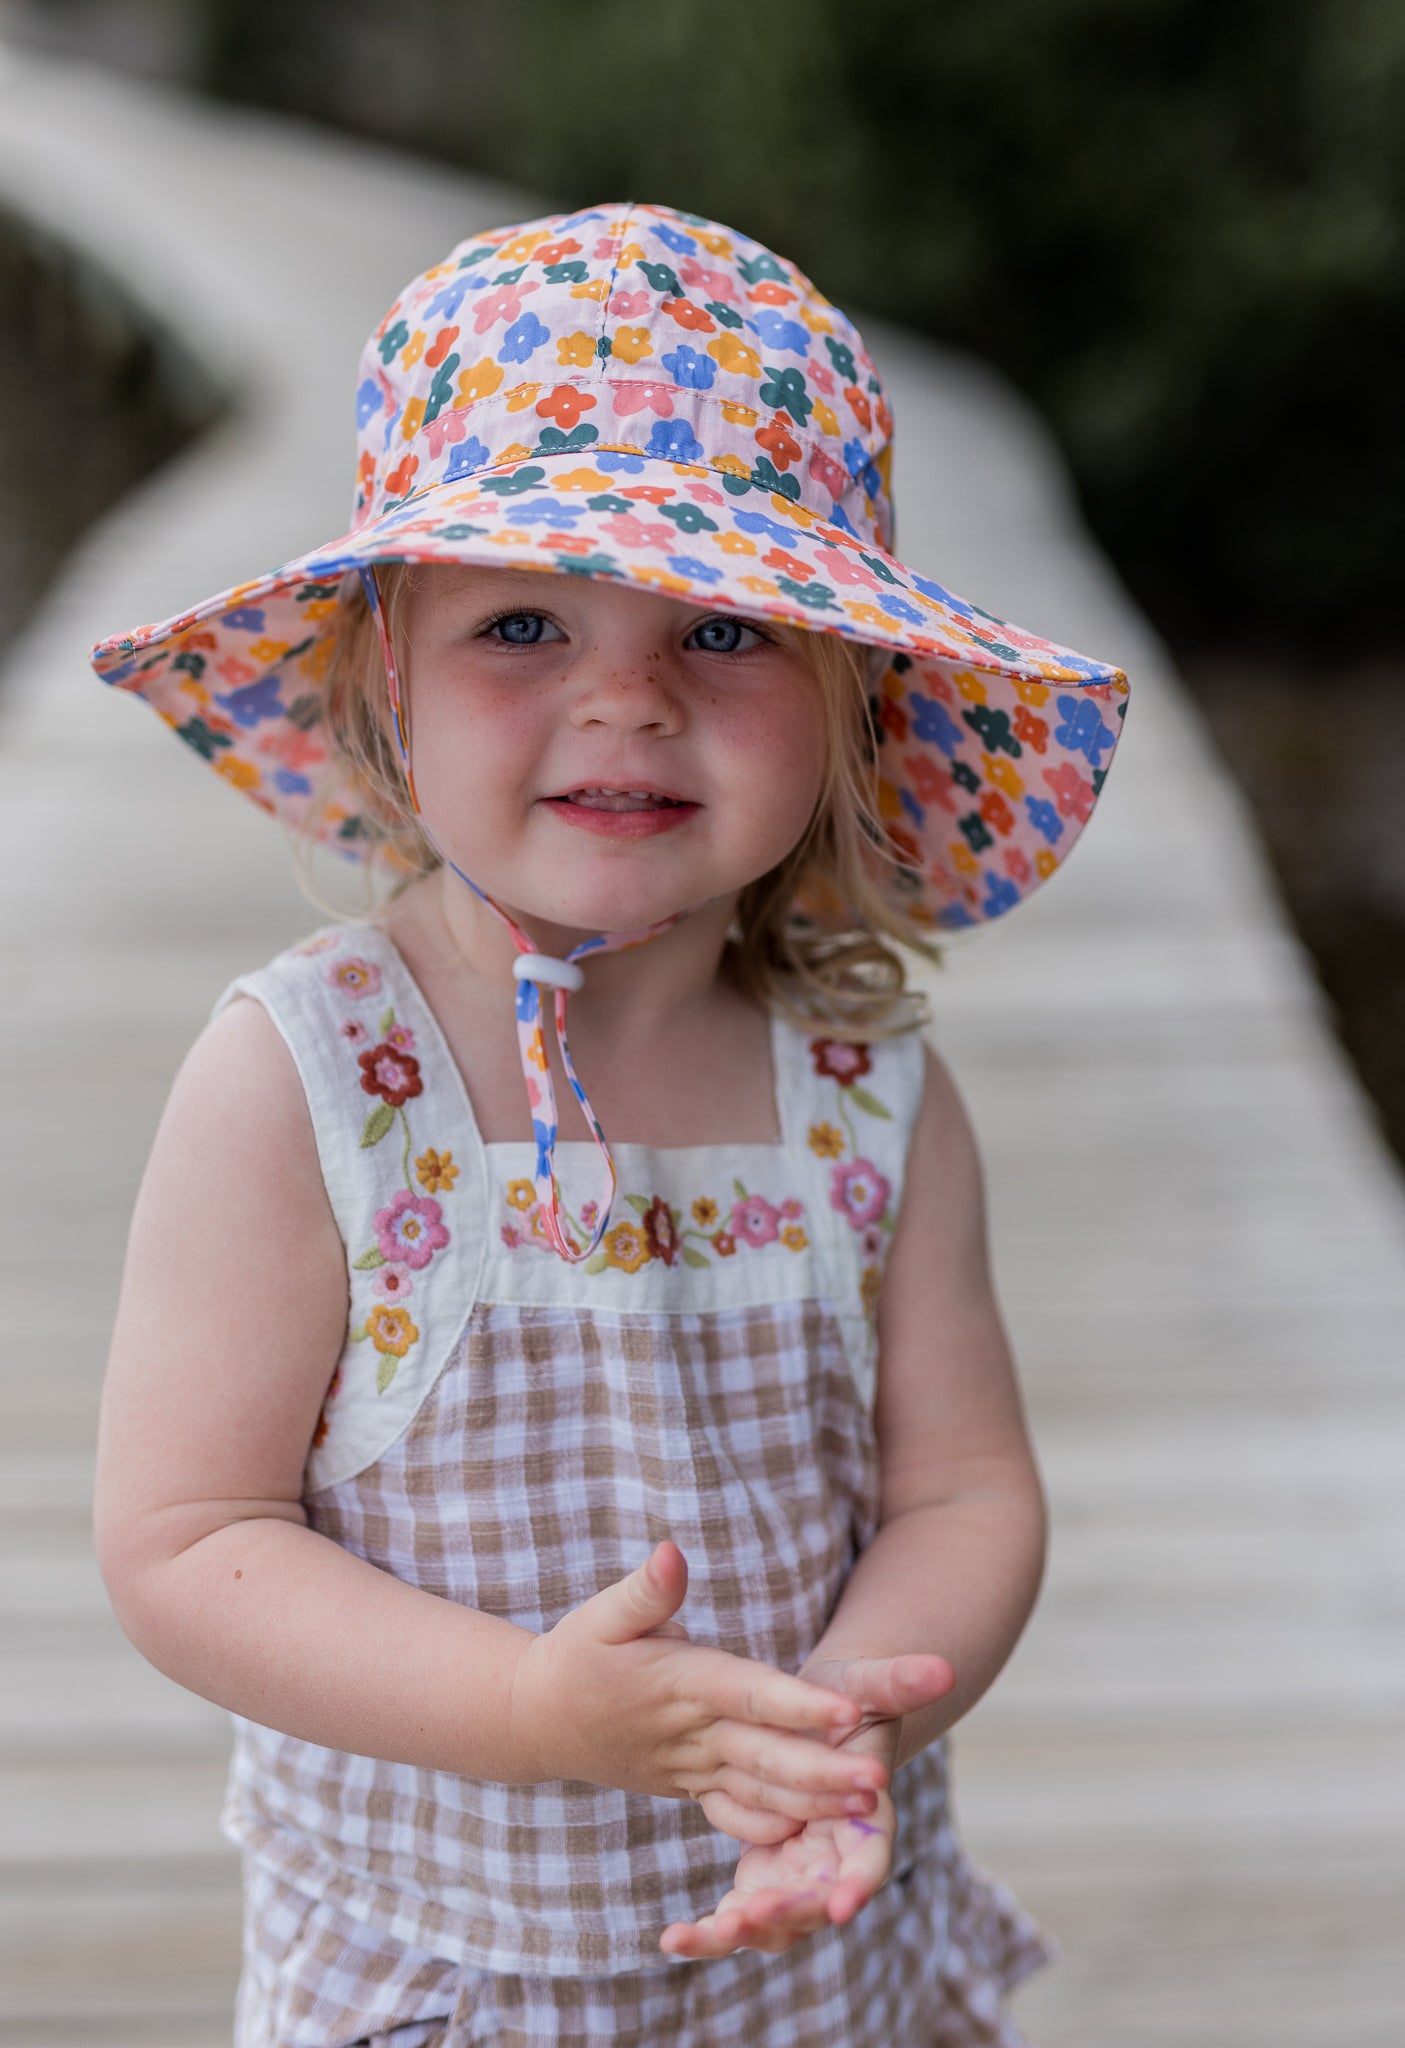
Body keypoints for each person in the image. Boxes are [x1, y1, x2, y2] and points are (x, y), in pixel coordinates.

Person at [89, 202, 1128, 2047]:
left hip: (823, 1956)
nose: (627, 696)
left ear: (850, 702)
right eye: (520, 621)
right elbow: (187, 1539)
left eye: (723, 626)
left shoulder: (865, 1097)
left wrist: (852, 1715)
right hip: (440, 1970)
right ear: (383, 684)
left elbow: (965, 1487)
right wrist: (536, 1712)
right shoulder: (313, 1081)